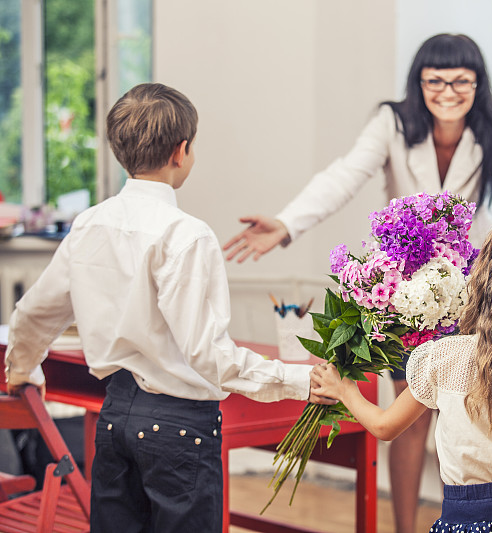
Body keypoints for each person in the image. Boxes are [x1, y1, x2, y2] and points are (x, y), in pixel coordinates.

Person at [223, 33, 492, 531]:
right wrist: (287, 222)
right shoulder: (392, 123)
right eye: (435, 81)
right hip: (406, 298)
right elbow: (344, 175)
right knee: (409, 421)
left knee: (478, 408)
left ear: (478, 84)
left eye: (461, 81)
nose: (448, 91)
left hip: (475, 297)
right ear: (419, 82)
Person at [3, 82, 335, 533]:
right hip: (180, 432)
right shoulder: (187, 235)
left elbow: (34, 314)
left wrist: (23, 370)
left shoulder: (88, 225)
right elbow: (208, 356)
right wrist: (300, 380)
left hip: (113, 420)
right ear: (182, 151)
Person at [310, 208, 492, 533]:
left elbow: (385, 427)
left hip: (459, 522)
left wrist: (344, 390)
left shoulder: (444, 358)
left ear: (486, 275)